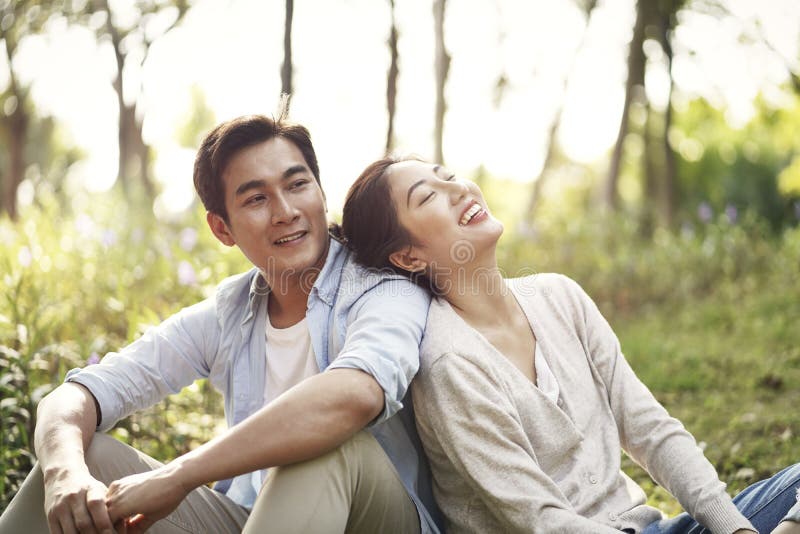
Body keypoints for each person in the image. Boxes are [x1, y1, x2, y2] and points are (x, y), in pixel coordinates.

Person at [0, 109, 442, 534]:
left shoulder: (384, 289)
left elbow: (355, 396)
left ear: (321, 193)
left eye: (298, 184)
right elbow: (81, 393)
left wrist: (178, 476)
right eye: (256, 198)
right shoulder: (232, 311)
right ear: (221, 229)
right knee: (82, 452)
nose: (285, 210)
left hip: (373, 520)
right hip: (256, 520)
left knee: (332, 447)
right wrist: (64, 475)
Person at [339, 156, 800, 534]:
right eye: (428, 196)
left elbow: (650, 429)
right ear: (408, 256)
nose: (459, 190)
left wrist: (735, 530)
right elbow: (540, 521)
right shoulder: (447, 361)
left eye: (449, 175)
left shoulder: (559, 295)